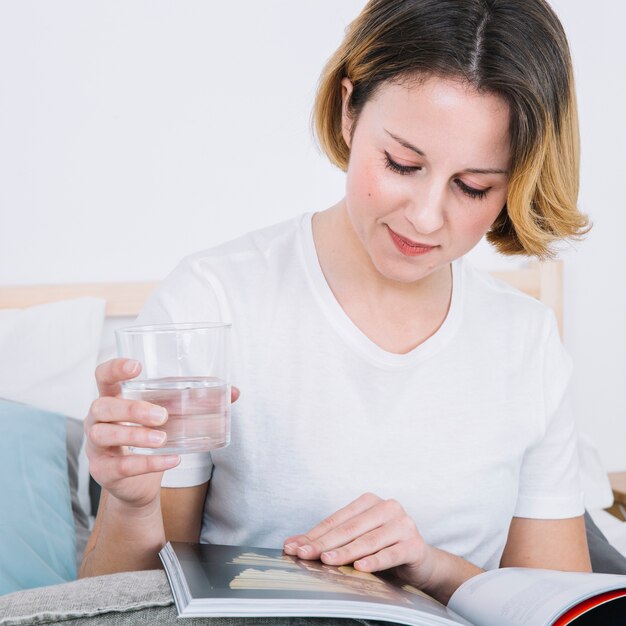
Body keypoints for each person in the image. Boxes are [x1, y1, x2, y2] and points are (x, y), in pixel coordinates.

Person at [80, 0, 592, 606]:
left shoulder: (524, 340)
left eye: (473, 185)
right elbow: (118, 607)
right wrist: (128, 503)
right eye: (402, 163)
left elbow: (560, 608)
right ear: (349, 111)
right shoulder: (215, 299)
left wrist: (432, 567)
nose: (426, 217)